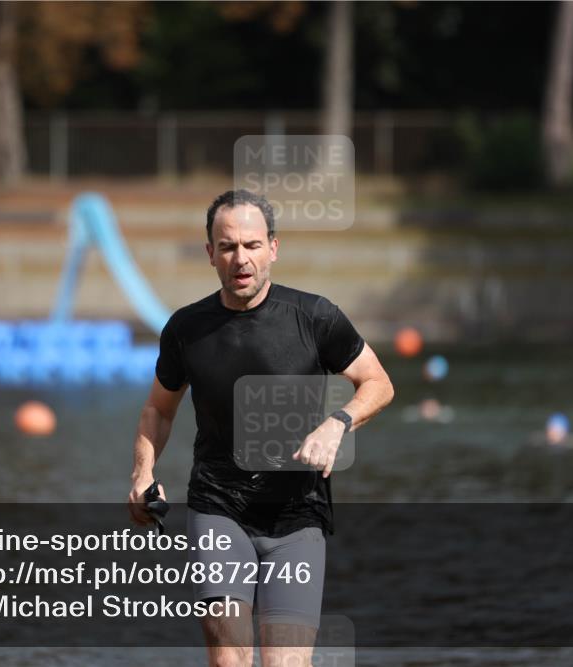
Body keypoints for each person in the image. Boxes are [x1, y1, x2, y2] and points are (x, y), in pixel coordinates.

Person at [127, 189, 394, 666]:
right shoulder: (186, 329)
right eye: (227, 246)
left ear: (273, 248)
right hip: (218, 508)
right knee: (229, 658)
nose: (240, 259)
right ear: (210, 253)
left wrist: (337, 423)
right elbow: (158, 411)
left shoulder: (315, 317)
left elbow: (378, 383)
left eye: (251, 245)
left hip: (297, 516)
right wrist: (142, 473)